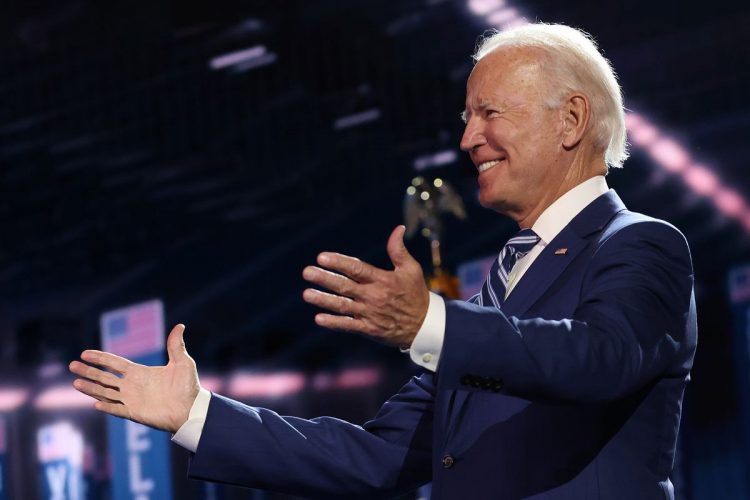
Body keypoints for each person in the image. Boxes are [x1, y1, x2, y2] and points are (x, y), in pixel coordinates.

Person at [70, 23, 697, 499]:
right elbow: (375, 456)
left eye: (489, 113)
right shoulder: (495, 302)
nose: (467, 138)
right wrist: (196, 414)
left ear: (572, 119)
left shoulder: (642, 245)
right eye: (466, 116)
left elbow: (595, 358)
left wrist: (429, 324)